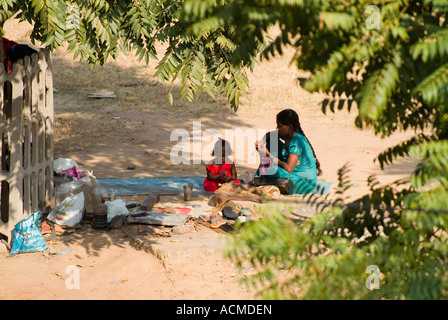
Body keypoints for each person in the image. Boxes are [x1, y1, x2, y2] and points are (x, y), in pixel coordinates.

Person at [255, 108, 322, 195]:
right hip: (293, 176)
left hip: (304, 184)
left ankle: (259, 178)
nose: (277, 128)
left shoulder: (297, 140)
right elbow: (270, 134)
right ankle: (260, 176)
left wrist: (267, 154)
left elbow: (289, 169)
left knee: (270, 169)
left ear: (289, 126)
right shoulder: (288, 134)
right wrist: (262, 142)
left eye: (279, 126)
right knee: (273, 141)